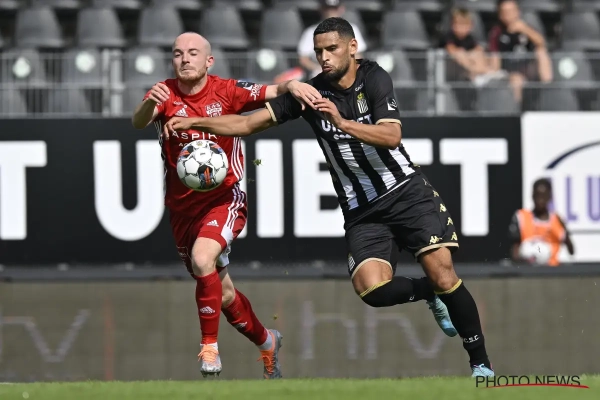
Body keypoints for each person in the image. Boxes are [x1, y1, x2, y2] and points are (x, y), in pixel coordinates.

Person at [164, 18, 494, 377]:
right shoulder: (311, 93)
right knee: (371, 289)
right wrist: (196, 122)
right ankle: (427, 292)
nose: (324, 57)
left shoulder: (374, 78)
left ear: (352, 47)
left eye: (331, 49)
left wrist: (342, 122)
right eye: (318, 50)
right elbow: (245, 124)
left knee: (443, 273)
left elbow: (391, 137)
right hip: (362, 210)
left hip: (406, 193)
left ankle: (480, 365)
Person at [131, 32, 322, 379]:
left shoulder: (227, 91)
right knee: (223, 293)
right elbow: (139, 121)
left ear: (209, 61)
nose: (184, 59)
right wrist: (148, 104)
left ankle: (209, 348)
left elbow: (272, 91)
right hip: (182, 210)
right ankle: (268, 342)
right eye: (178, 53)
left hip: (224, 199)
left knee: (203, 259)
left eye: (193, 53)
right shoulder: (164, 93)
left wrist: (293, 85)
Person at [488, 0, 552, 103]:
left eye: (511, 11)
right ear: (500, 15)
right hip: (509, 71)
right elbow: (495, 57)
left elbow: (541, 43)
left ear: (518, 11)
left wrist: (524, 30)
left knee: (541, 52)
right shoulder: (497, 32)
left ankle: (548, 90)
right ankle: (517, 108)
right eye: (505, 12)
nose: (508, 15)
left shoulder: (527, 27)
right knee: (516, 80)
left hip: (528, 67)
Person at [508, 178, 575, 266]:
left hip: (551, 269)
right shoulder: (521, 217)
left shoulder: (557, 220)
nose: (540, 200)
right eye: (537, 196)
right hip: (528, 269)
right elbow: (515, 250)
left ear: (549, 197)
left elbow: (571, 251)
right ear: (532, 196)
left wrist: (565, 231)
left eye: (544, 196)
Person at [298, 0, 367, 79]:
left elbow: (357, 55)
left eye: (334, 9)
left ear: (342, 9)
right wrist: (318, 68)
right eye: (327, 9)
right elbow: (303, 59)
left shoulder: (352, 29)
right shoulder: (310, 31)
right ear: (321, 9)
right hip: (320, 74)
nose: (331, 13)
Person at [440, 8, 505, 86]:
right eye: (459, 24)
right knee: (460, 54)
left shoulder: (470, 38)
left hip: (468, 65)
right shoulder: (449, 37)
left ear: (470, 26)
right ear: (453, 25)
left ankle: (484, 73)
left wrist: (474, 54)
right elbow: (451, 50)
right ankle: (482, 72)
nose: (461, 28)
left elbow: (478, 49)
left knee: (477, 54)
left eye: (465, 25)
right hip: (449, 69)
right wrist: (467, 56)